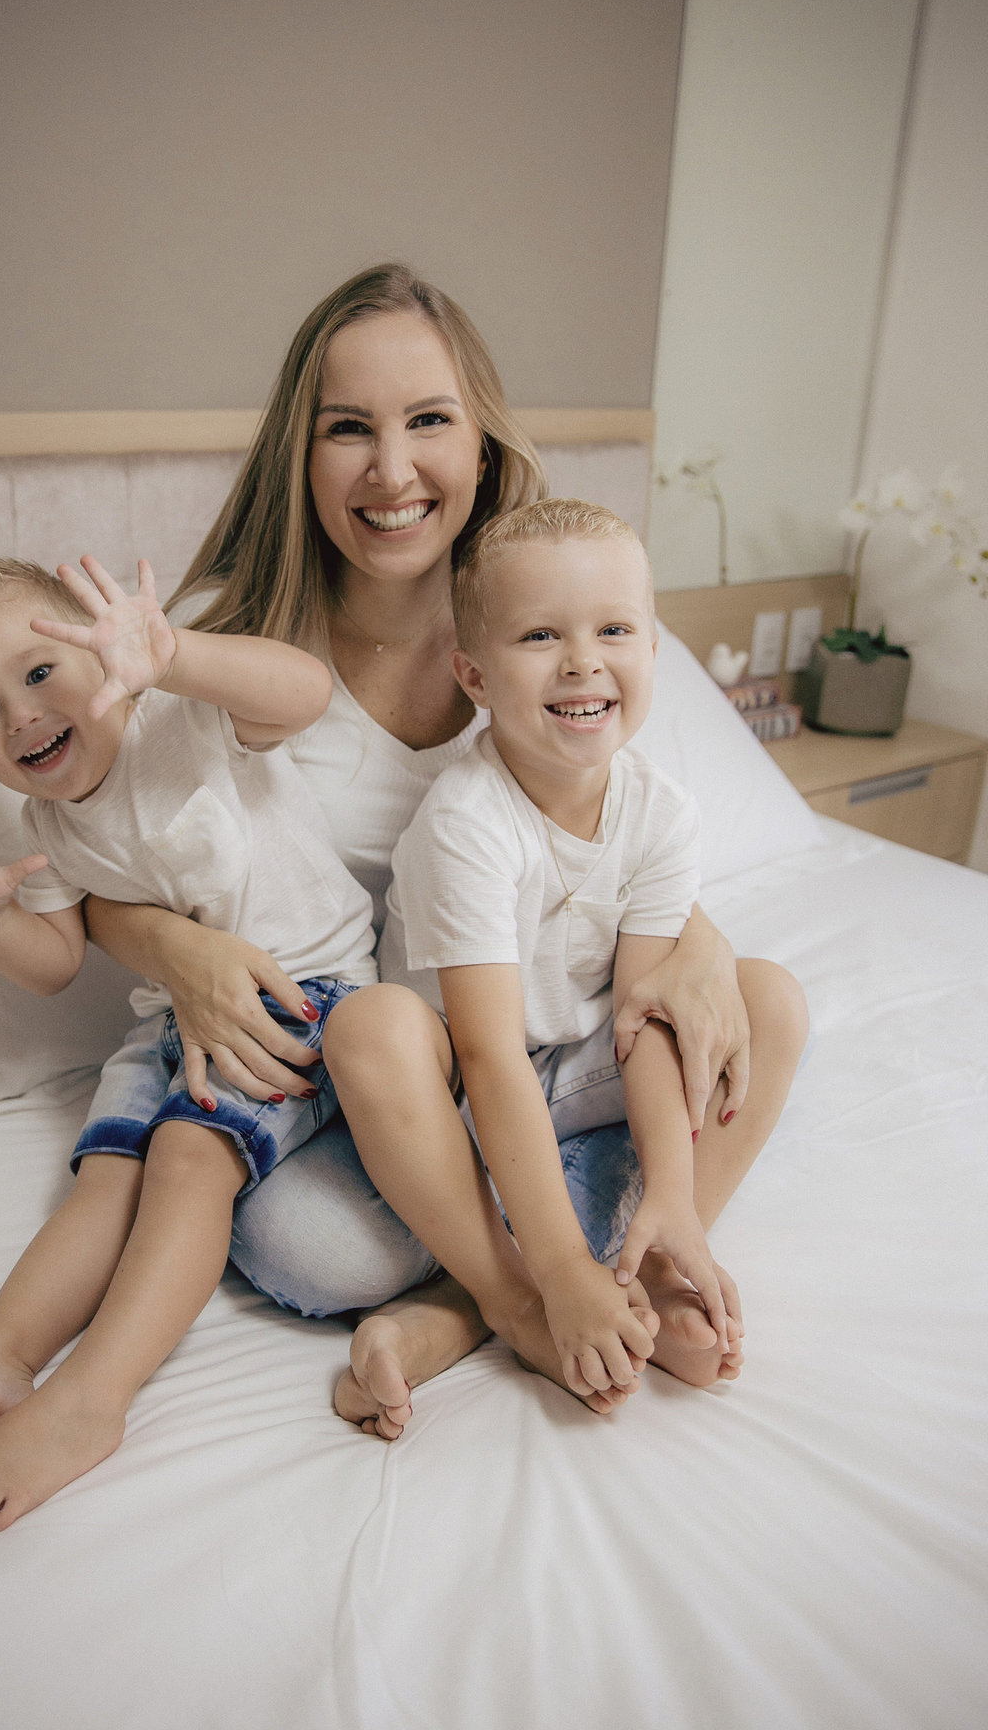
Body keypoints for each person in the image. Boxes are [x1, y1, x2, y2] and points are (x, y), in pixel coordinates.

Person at [81, 263, 767, 1439]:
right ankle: (526, 1277)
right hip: (382, 1062)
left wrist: (695, 943)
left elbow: (610, 840)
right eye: (351, 429)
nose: (393, 472)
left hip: (540, 1038)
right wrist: (174, 948)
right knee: (309, 1246)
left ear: (484, 442)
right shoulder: (223, 644)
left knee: (760, 1012)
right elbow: (100, 855)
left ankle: (476, 1304)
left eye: (429, 421)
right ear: (303, 450)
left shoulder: (554, 608)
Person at [0, 555, 377, 1529]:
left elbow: (302, 693)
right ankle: (2, 1353)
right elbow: (54, 958)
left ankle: (91, 1398)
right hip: (167, 1023)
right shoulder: (49, 821)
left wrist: (176, 655)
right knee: (107, 1178)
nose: (18, 717)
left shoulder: (189, 720)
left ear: (104, 652)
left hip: (304, 994)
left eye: (40, 673)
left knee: (186, 1155)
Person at [322, 500, 808, 1410]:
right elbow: (488, 1056)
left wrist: (671, 1190)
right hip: (459, 1101)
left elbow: (648, 1016)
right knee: (368, 1031)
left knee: (770, 1000)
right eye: (540, 635)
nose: (584, 660)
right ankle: (518, 1302)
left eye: (615, 629)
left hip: (580, 1074)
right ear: (473, 673)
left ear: (653, 652)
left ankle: (653, 1260)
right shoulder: (469, 822)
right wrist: (554, 1267)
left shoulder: (661, 811)